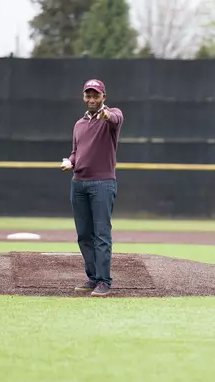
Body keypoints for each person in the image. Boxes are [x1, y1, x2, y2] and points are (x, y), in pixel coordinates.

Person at [61, 79, 124, 297]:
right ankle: (93, 277)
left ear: (103, 97)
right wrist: (70, 162)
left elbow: (114, 118)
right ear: (83, 97)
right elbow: (76, 152)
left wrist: (106, 114)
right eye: (88, 95)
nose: (91, 99)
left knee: (102, 234)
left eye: (95, 95)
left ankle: (105, 281)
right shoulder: (79, 124)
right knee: (84, 234)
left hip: (103, 184)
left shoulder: (112, 116)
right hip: (79, 183)